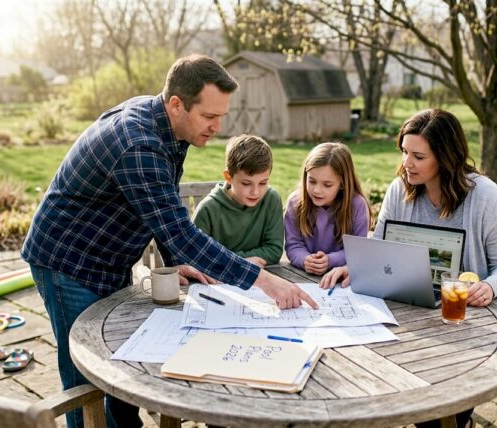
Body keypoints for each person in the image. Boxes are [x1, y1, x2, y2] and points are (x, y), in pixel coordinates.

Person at [21, 54, 317, 428]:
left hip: (107, 256)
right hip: (67, 259)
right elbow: (181, 231)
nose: (217, 126)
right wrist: (265, 281)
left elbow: (161, 208)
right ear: (177, 104)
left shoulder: (169, 127)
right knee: (89, 383)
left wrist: (174, 258)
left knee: (119, 369)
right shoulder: (137, 143)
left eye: (221, 116)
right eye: (210, 117)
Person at [320, 109, 497, 428]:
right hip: (415, 306)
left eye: (418, 156)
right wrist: (354, 265)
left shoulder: (485, 197)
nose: (406, 163)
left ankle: (450, 420)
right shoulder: (400, 190)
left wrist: (490, 286)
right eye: (404, 152)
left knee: (433, 388)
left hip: (473, 317)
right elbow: (380, 242)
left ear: (445, 157)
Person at [192, 134, 284, 267]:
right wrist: (241, 262)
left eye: (263, 183)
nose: (255, 191)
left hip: (259, 279)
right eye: (246, 183)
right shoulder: (208, 209)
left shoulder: (271, 199)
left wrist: (228, 260)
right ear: (228, 177)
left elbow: (274, 250)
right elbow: (197, 256)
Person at [284, 142, 372, 276]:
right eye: (312, 181)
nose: (317, 190)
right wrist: (305, 260)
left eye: (327, 185)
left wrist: (330, 260)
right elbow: (293, 245)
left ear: (342, 184)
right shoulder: (295, 203)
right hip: (302, 276)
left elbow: (357, 251)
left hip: (341, 278)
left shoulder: (357, 206)